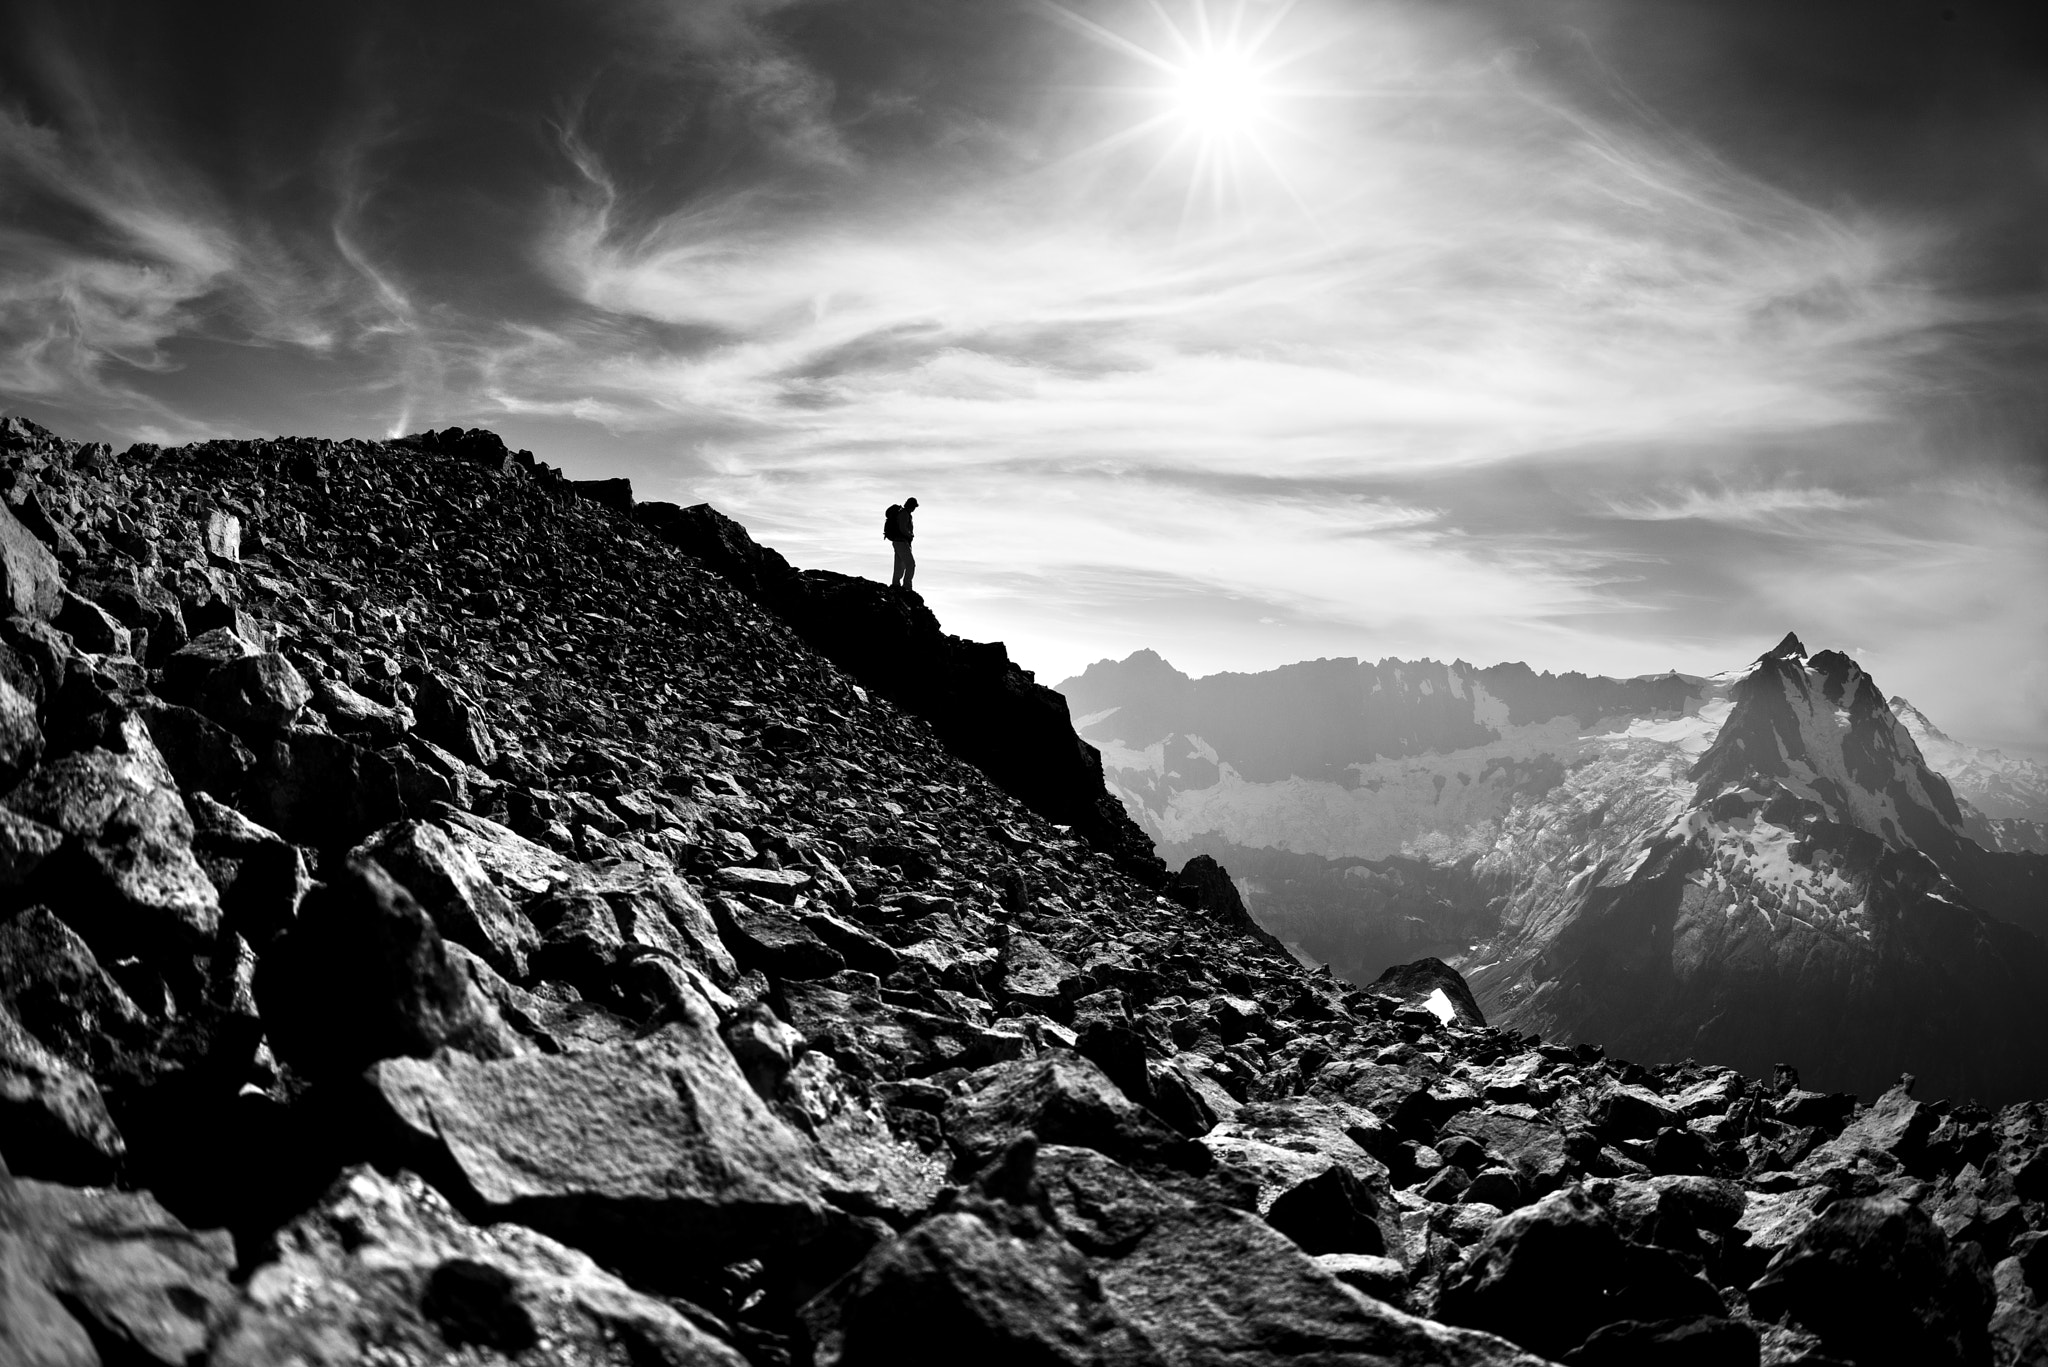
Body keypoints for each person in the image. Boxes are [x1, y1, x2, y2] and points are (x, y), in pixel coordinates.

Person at [885, 496, 919, 592]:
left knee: (900, 565)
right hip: (901, 542)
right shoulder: (904, 514)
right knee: (910, 564)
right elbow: (903, 528)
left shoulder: (903, 513)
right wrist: (910, 535)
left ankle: (896, 584)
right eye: (914, 507)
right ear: (911, 506)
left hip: (898, 541)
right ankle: (907, 586)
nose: (914, 509)